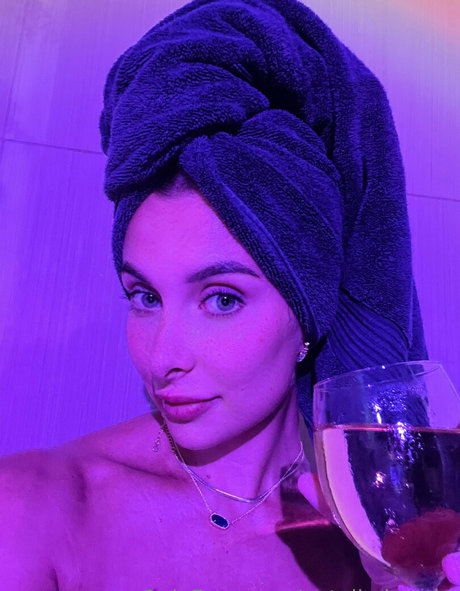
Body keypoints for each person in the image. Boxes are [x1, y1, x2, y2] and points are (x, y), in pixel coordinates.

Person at [1, 0, 459, 589]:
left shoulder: (385, 530)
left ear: (307, 314)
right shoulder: (34, 512)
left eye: (221, 299)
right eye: (144, 296)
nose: (163, 357)